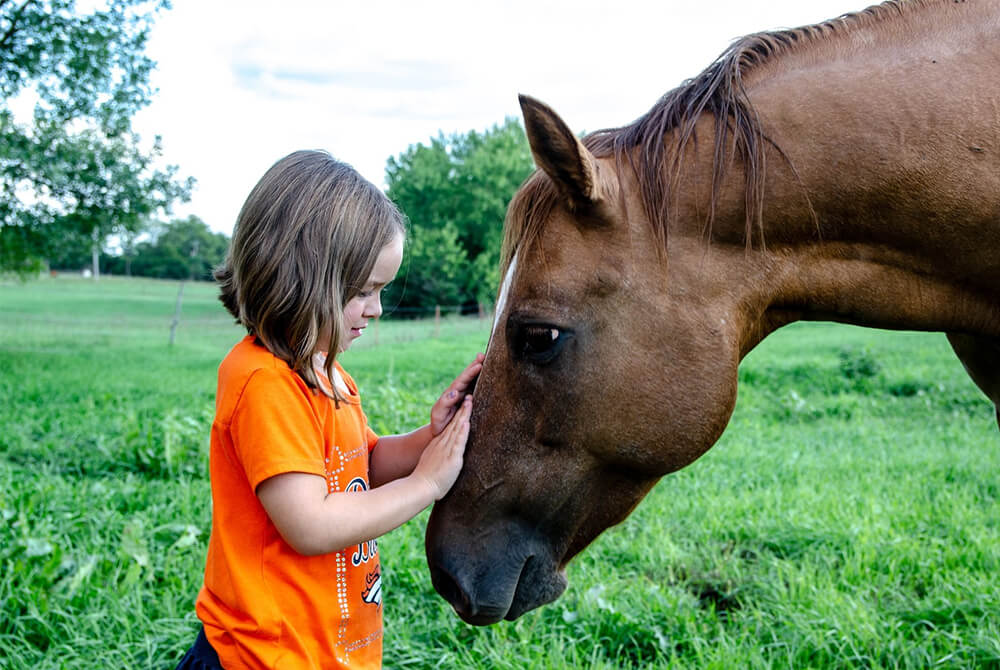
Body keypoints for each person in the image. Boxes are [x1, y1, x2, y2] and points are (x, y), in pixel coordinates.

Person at [175, 149, 484, 670]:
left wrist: (429, 438)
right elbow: (310, 523)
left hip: (323, 649)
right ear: (297, 276)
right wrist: (424, 486)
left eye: (380, 290)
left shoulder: (326, 371)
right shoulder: (264, 382)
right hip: (263, 657)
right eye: (363, 291)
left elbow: (359, 469)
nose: (377, 309)